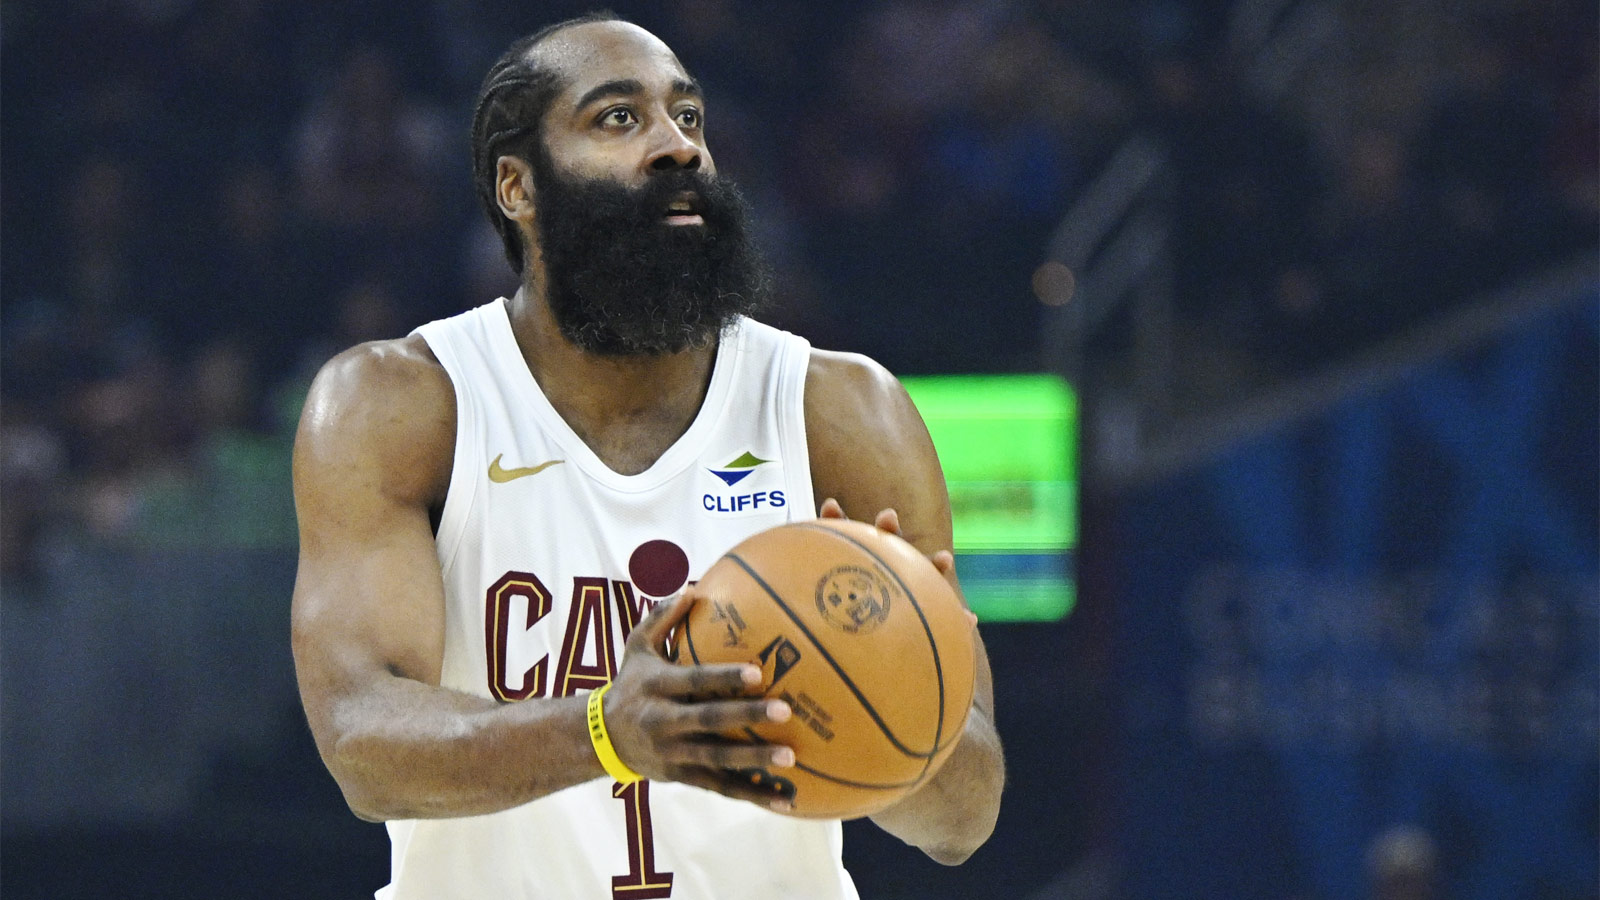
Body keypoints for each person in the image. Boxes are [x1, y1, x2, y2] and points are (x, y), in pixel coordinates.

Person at [289, 12, 1005, 899]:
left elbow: (963, 823)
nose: (677, 148)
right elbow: (362, 742)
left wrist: (899, 694)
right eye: (618, 119)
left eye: (689, 117)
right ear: (517, 186)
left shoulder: (843, 409)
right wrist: (603, 732)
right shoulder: (401, 404)